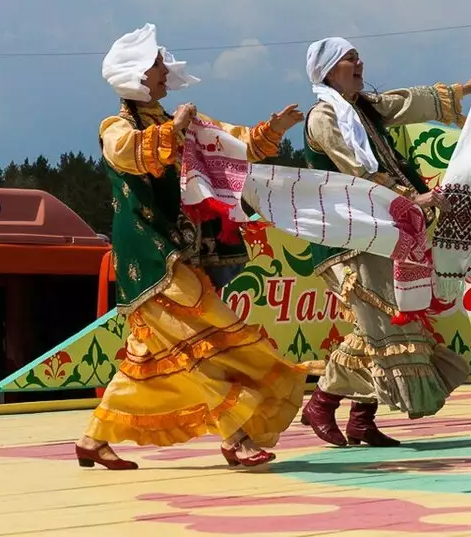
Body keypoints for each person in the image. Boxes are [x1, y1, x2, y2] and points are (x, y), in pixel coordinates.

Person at [74, 24, 309, 470]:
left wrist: (271, 129)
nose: (166, 73)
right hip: (149, 258)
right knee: (203, 341)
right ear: (139, 75)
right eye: (159, 66)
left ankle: (93, 439)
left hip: (180, 251)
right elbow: (130, 154)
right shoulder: (116, 127)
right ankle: (236, 437)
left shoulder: (178, 123)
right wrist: (173, 131)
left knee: (152, 359)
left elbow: (232, 143)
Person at [298, 36, 471, 447]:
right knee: (379, 325)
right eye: (350, 58)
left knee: (384, 323)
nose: (359, 62)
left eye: (357, 56)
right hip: (345, 240)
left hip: (381, 234)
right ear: (330, 70)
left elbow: (406, 102)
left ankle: (360, 418)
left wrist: (466, 88)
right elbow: (355, 171)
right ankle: (321, 401)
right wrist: (411, 199)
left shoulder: (363, 108)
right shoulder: (324, 118)